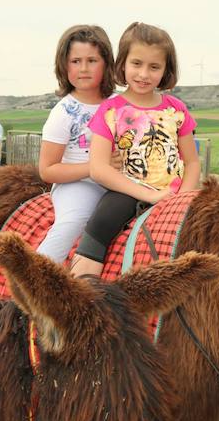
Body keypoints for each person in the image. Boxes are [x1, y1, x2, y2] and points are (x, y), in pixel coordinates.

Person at [73, 22, 199, 279]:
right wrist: (147, 195)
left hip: (175, 192)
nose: (144, 74)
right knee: (101, 223)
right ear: (123, 64)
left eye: (154, 67)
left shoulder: (176, 109)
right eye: (137, 64)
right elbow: (98, 168)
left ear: (166, 70)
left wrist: (182, 197)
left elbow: (193, 162)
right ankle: (82, 285)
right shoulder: (110, 110)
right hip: (127, 190)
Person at [34, 25, 117, 263]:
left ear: (106, 63)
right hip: (80, 184)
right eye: (75, 61)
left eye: (92, 60)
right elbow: (48, 170)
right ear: (64, 65)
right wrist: (95, 167)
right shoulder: (63, 113)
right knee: (73, 221)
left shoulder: (119, 103)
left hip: (120, 180)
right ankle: (35, 278)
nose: (83, 68)